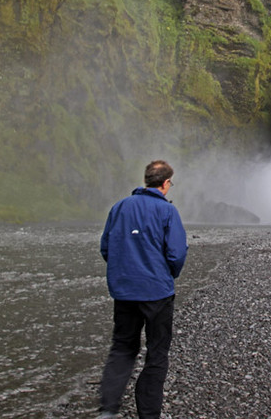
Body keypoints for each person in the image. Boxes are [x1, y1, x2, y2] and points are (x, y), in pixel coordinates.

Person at [98, 160, 188, 419]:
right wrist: (169, 274)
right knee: (157, 353)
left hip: (125, 291)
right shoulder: (167, 212)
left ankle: (108, 410)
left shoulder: (119, 207)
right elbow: (177, 253)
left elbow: (106, 247)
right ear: (166, 183)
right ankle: (148, 414)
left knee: (123, 347)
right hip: (157, 293)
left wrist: (124, 271)